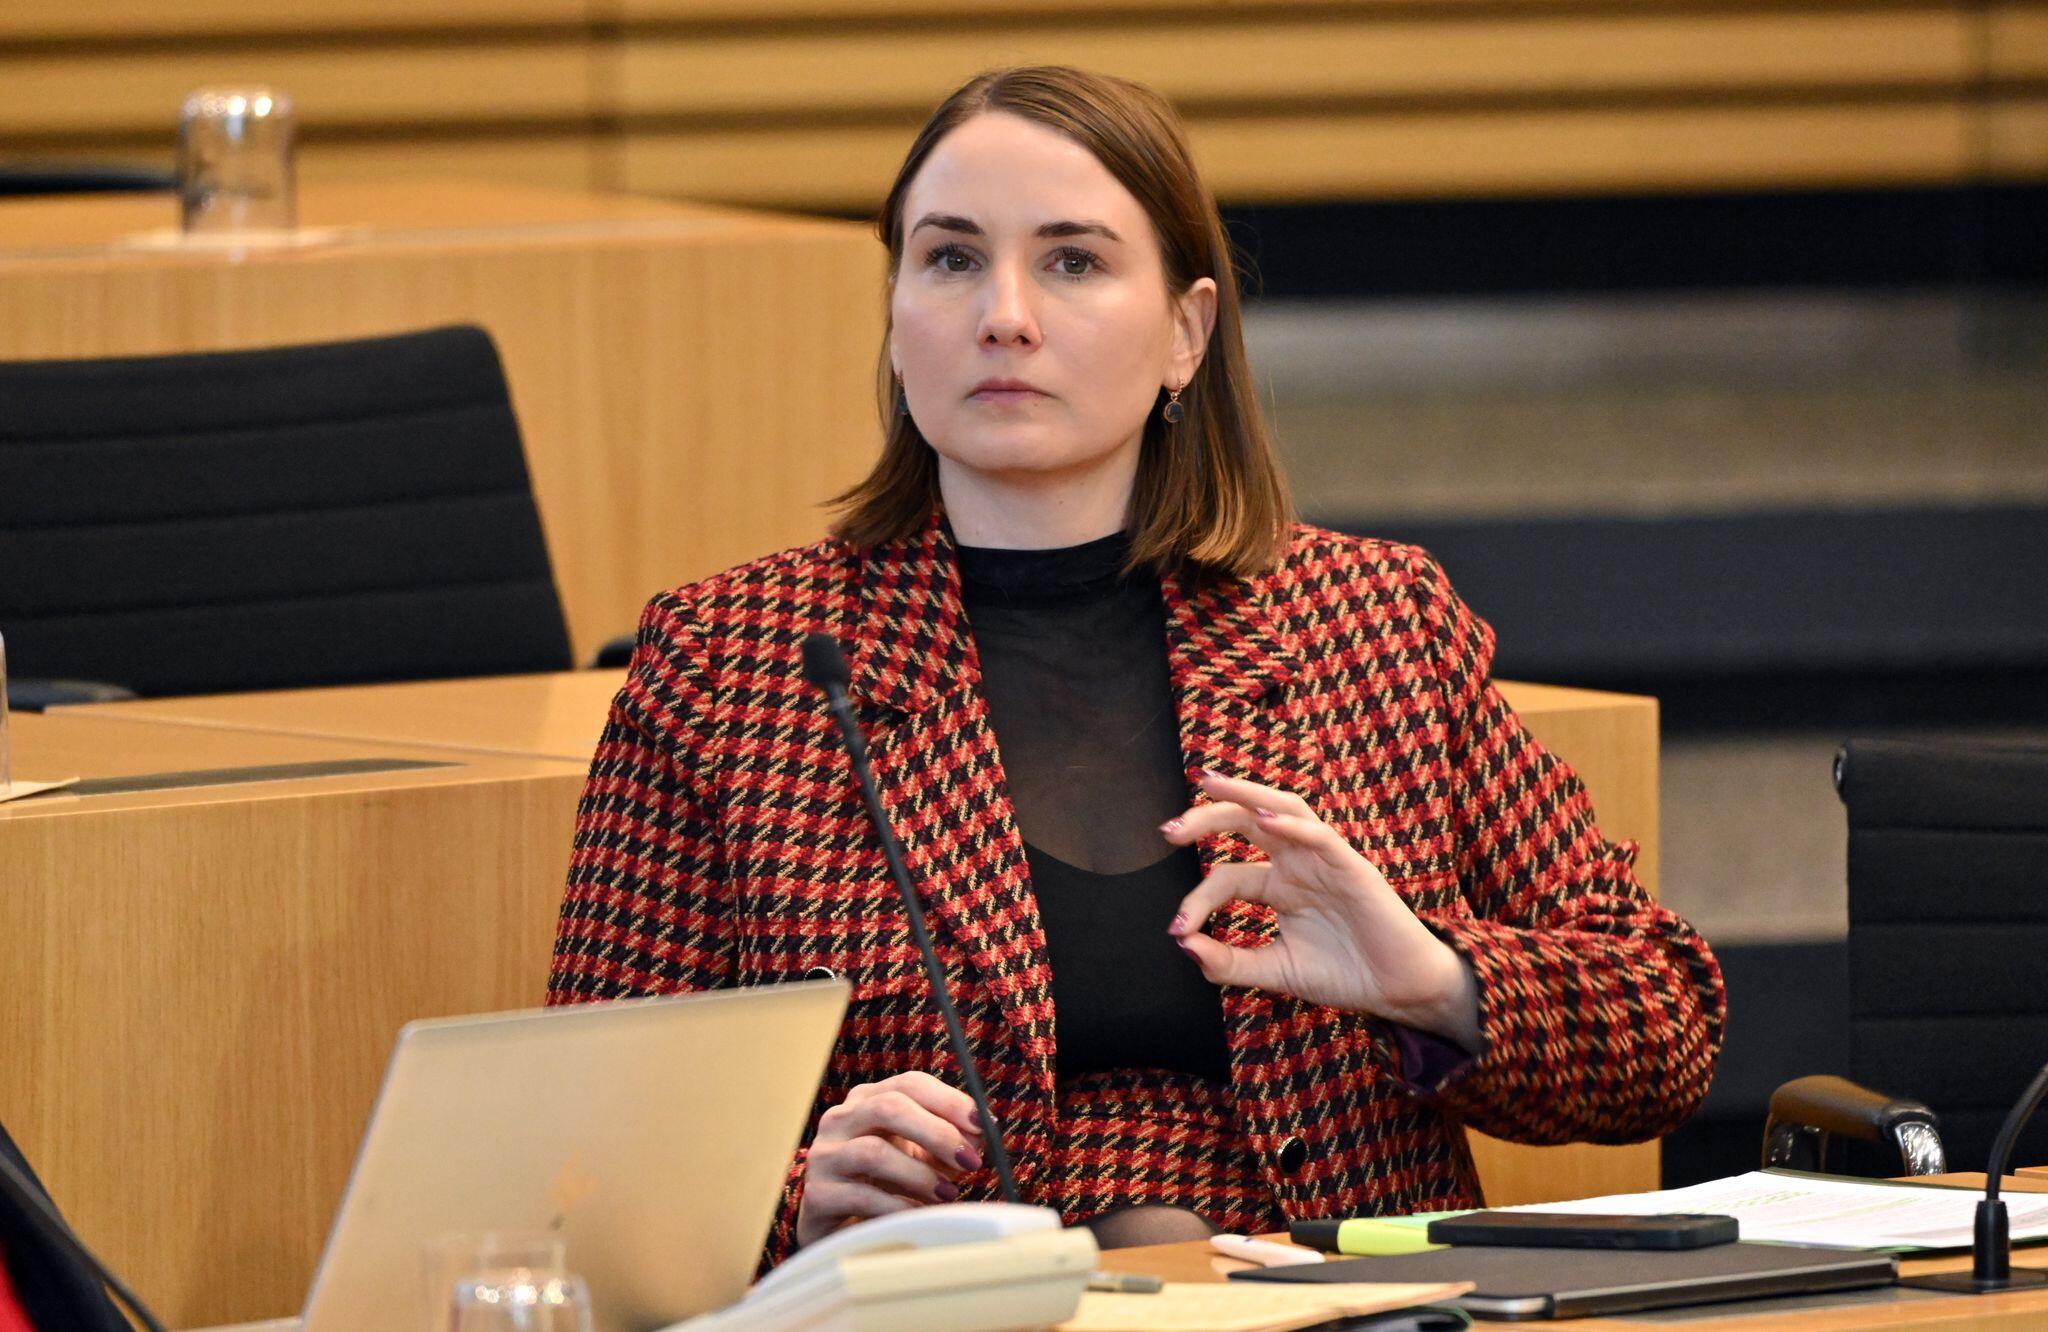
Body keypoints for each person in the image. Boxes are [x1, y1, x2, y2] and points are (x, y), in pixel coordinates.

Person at [548, 65, 1725, 1262]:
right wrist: (800, 1200)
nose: (1004, 314)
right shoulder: (731, 664)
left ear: (1183, 333)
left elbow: (1665, 1025)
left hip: (1329, 1301)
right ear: (895, 317)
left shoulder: (1371, 621)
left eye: (1072, 262)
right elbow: (584, 1143)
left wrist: (1424, 976)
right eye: (949, 259)